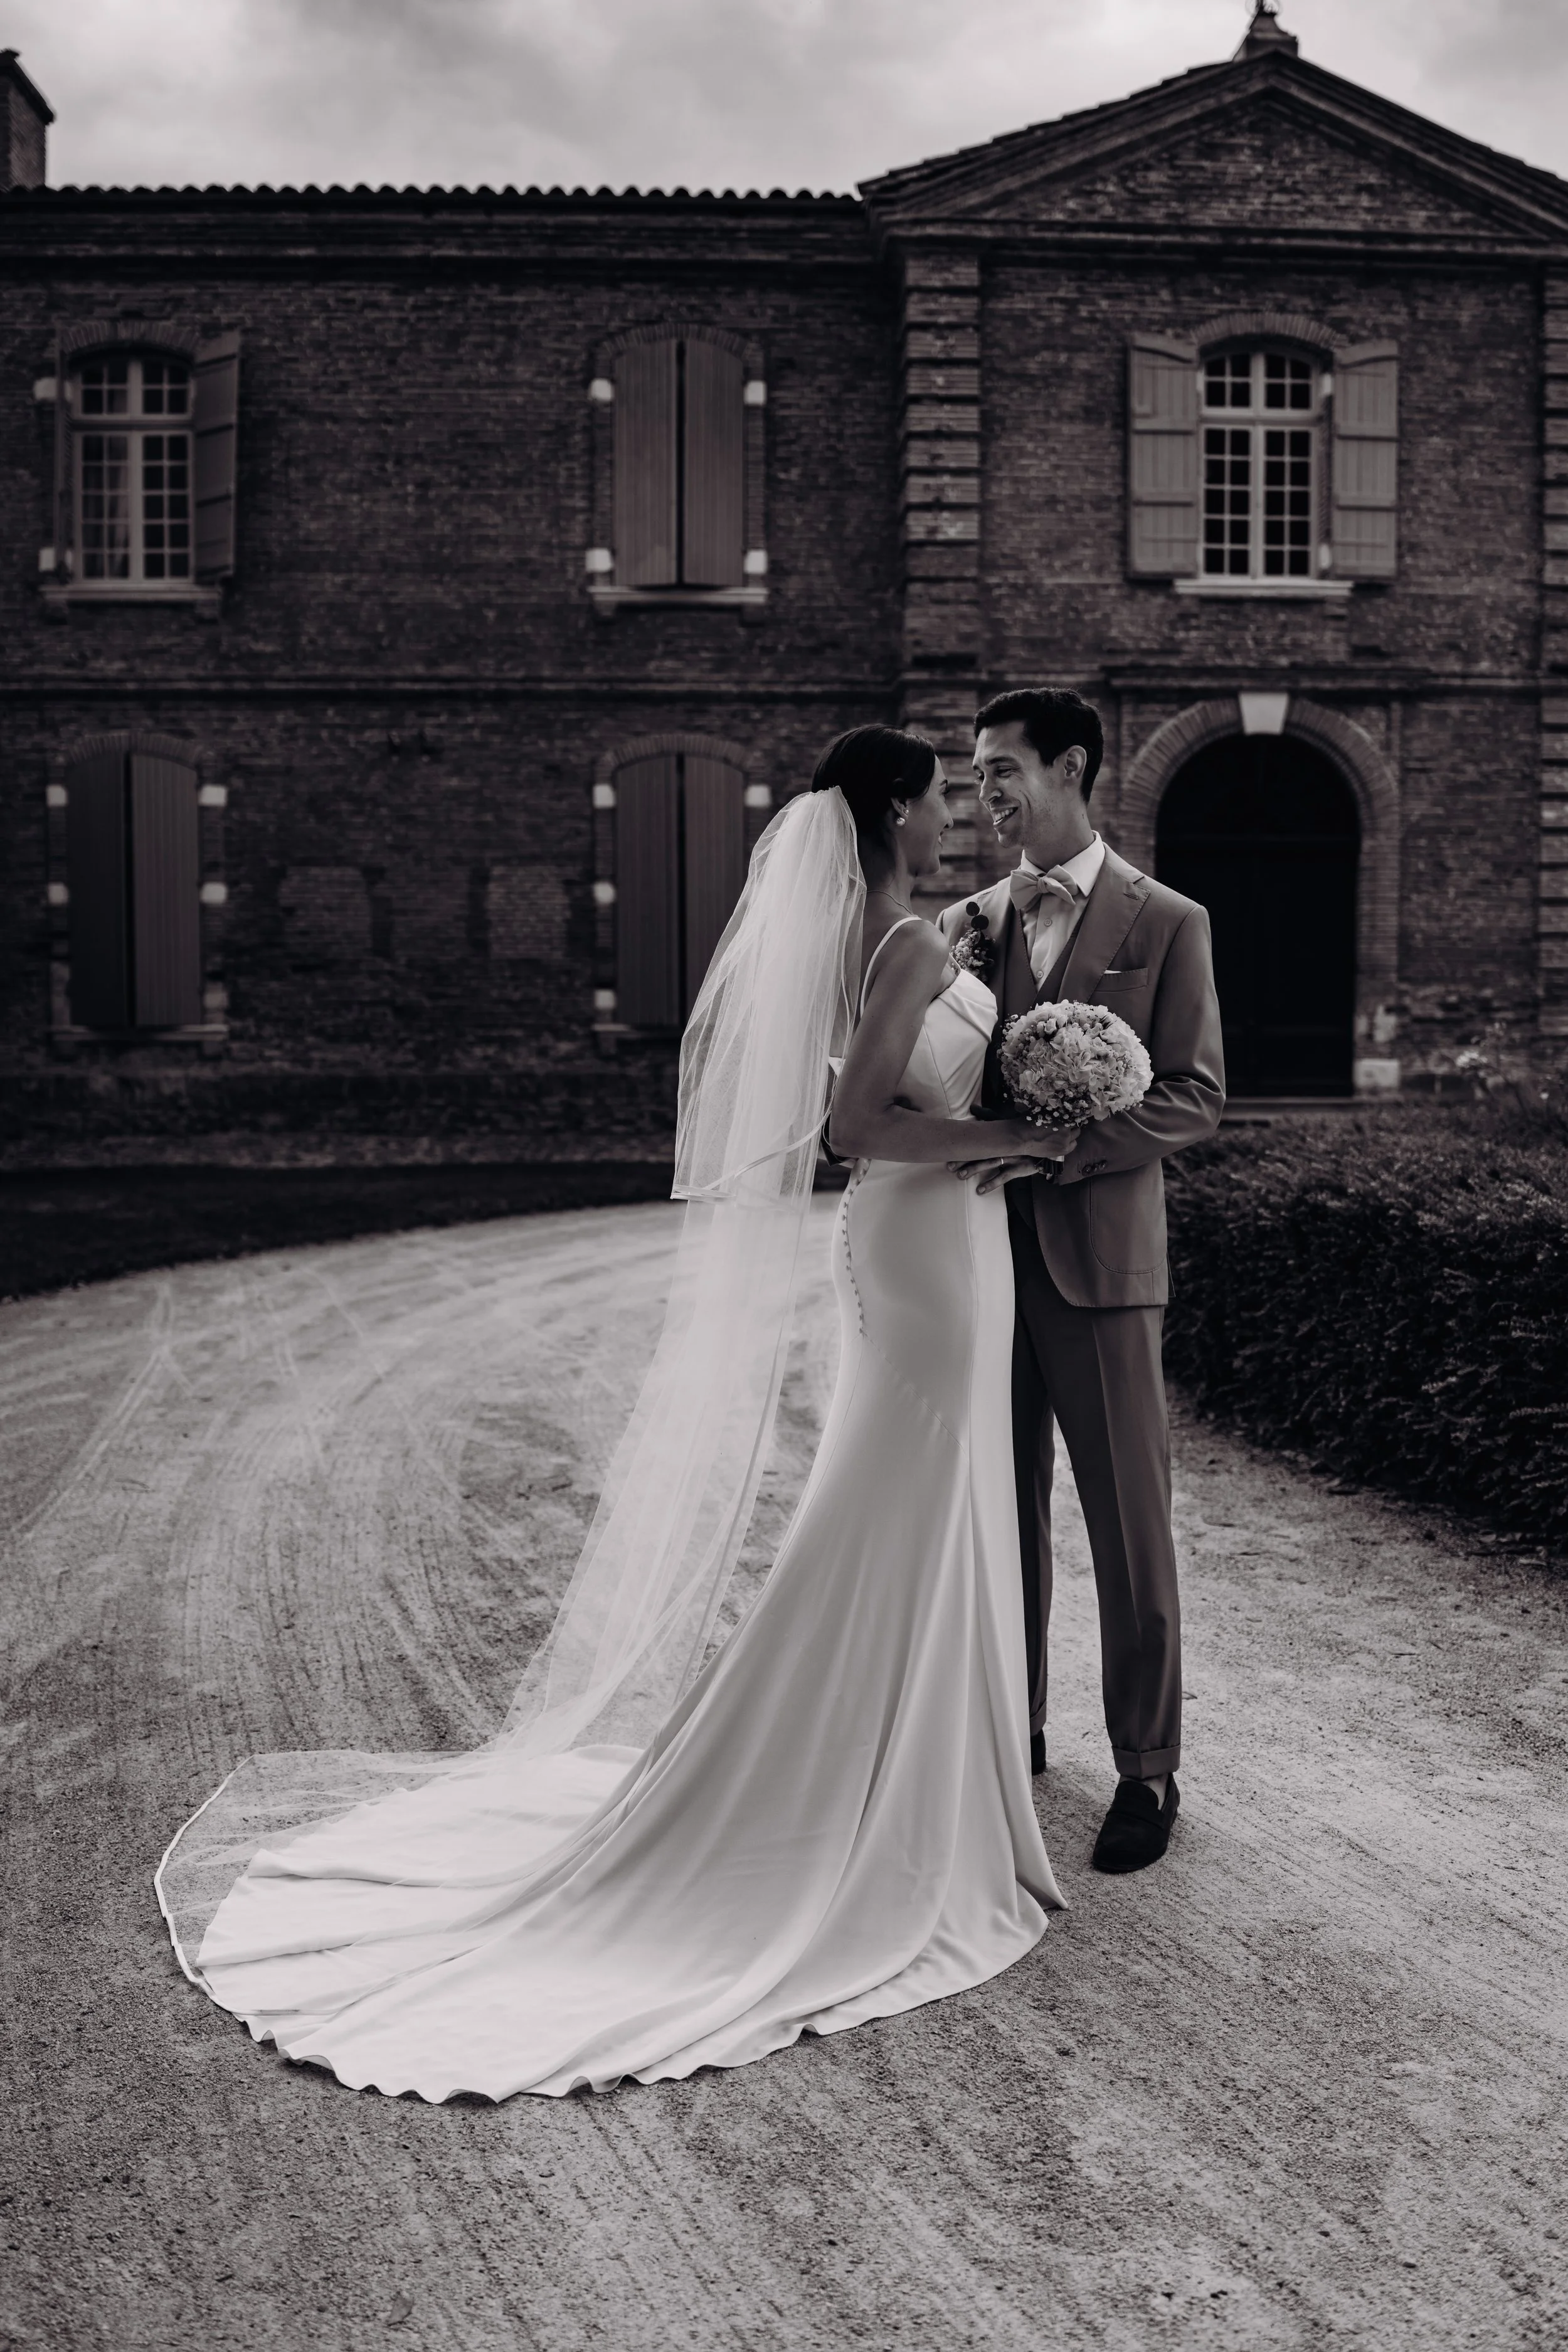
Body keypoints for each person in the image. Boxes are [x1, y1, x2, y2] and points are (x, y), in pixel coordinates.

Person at [156, 723, 1066, 2104]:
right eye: (941, 794)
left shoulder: (894, 935)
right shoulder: (903, 948)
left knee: (923, 1500)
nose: (955, 815)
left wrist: (1006, 1125)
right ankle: (884, 1804)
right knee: (910, 1493)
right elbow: (857, 1132)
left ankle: (930, 1780)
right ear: (891, 807)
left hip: (951, 1242)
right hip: (926, 1248)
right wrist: (1021, 1135)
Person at [941, 689, 1225, 1874]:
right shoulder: (964, 923)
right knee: (994, 1514)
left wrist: (1063, 1142)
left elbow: (1196, 1091)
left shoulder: (1169, 920)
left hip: (1104, 1265)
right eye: (974, 774)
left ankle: (1148, 1770)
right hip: (975, 1264)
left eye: (1003, 769)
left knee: (1126, 1522)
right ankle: (1018, 1728)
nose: (986, 793)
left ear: (1071, 765)